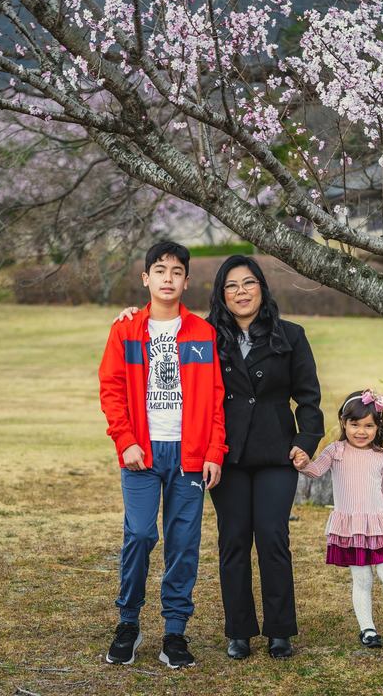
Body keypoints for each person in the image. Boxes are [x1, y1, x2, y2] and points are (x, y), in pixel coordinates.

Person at [116, 254, 324, 660]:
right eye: (231, 286)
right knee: (232, 540)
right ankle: (239, 631)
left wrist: (307, 438)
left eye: (248, 283)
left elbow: (309, 397)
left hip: (275, 453)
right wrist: (128, 316)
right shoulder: (205, 334)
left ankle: (280, 630)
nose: (241, 292)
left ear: (262, 288)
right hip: (225, 455)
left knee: (272, 536)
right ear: (220, 294)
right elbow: (158, 329)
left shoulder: (291, 336)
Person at [98, 240, 227, 669]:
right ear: (146, 278)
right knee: (138, 535)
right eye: (160, 270)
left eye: (176, 272)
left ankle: (175, 632)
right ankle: (128, 623)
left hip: (189, 455)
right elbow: (112, 390)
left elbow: (215, 399)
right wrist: (125, 441)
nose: (167, 278)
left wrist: (214, 450)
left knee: (183, 543)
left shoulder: (202, 334)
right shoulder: (126, 329)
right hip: (141, 454)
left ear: (186, 281)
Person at [293, 389, 383, 649]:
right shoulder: (336, 451)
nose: (361, 431)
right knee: (362, 580)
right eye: (355, 425)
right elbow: (315, 471)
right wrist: (303, 462)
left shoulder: (380, 456)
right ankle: (368, 630)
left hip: (380, 524)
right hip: (352, 529)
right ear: (343, 422)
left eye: (368, 426)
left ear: (377, 427)